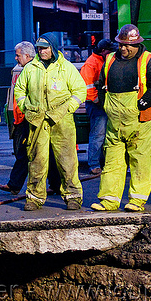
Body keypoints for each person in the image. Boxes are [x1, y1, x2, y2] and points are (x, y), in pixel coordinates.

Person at [90, 24, 151, 212]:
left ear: (137, 44)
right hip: (115, 123)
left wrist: (143, 103)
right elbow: (101, 84)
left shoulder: (149, 61)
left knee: (141, 161)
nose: (123, 49)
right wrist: (104, 105)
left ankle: (137, 201)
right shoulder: (109, 60)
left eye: (127, 46)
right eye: (121, 45)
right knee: (112, 161)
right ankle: (108, 200)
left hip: (141, 122)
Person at [14, 32, 87, 211]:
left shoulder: (66, 68)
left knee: (67, 160)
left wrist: (66, 108)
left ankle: (73, 196)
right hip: (37, 121)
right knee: (37, 160)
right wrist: (27, 108)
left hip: (62, 122)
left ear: (53, 48)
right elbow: (20, 90)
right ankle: (34, 197)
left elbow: (80, 91)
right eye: (39, 48)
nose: (41, 51)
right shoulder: (31, 68)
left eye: (45, 48)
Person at [0, 41, 61, 196]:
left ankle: (17, 185)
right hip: (28, 117)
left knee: (26, 152)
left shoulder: (31, 70)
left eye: (18, 55)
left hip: (30, 118)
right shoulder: (26, 69)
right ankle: (55, 184)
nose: (16, 58)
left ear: (27, 55)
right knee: (40, 151)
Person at [80, 38, 117, 175]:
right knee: (98, 134)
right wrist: (98, 101)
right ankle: (94, 164)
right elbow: (88, 87)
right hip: (96, 105)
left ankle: (101, 163)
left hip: (102, 103)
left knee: (103, 135)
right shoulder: (91, 63)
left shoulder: (101, 60)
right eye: (109, 50)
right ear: (103, 51)